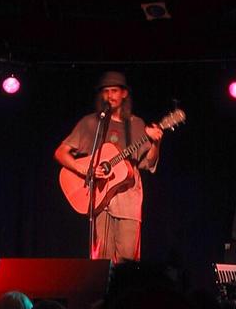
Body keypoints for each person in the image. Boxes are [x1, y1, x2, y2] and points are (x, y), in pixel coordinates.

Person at [54, 71, 163, 263]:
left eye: (114, 90)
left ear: (124, 94)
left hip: (128, 198)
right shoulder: (90, 123)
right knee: (101, 261)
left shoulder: (136, 124)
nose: (110, 95)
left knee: (127, 261)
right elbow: (60, 152)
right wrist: (84, 170)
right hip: (99, 196)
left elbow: (149, 163)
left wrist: (156, 143)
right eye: (106, 91)